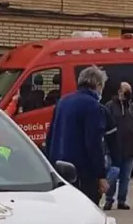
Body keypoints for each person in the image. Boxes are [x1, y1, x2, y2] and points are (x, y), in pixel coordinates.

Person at [46, 66, 109, 203]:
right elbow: (94, 143)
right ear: (98, 85)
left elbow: (50, 136)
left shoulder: (63, 102)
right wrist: (101, 175)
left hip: (59, 170)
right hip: (82, 174)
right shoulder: (93, 106)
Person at [103, 82, 133, 210]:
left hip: (129, 149)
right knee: (113, 176)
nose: (128, 94)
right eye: (126, 91)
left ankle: (121, 201)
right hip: (114, 149)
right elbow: (104, 125)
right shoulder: (110, 106)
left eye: (130, 91)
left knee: (125, 177)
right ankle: (109, 200)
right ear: (120, 91)